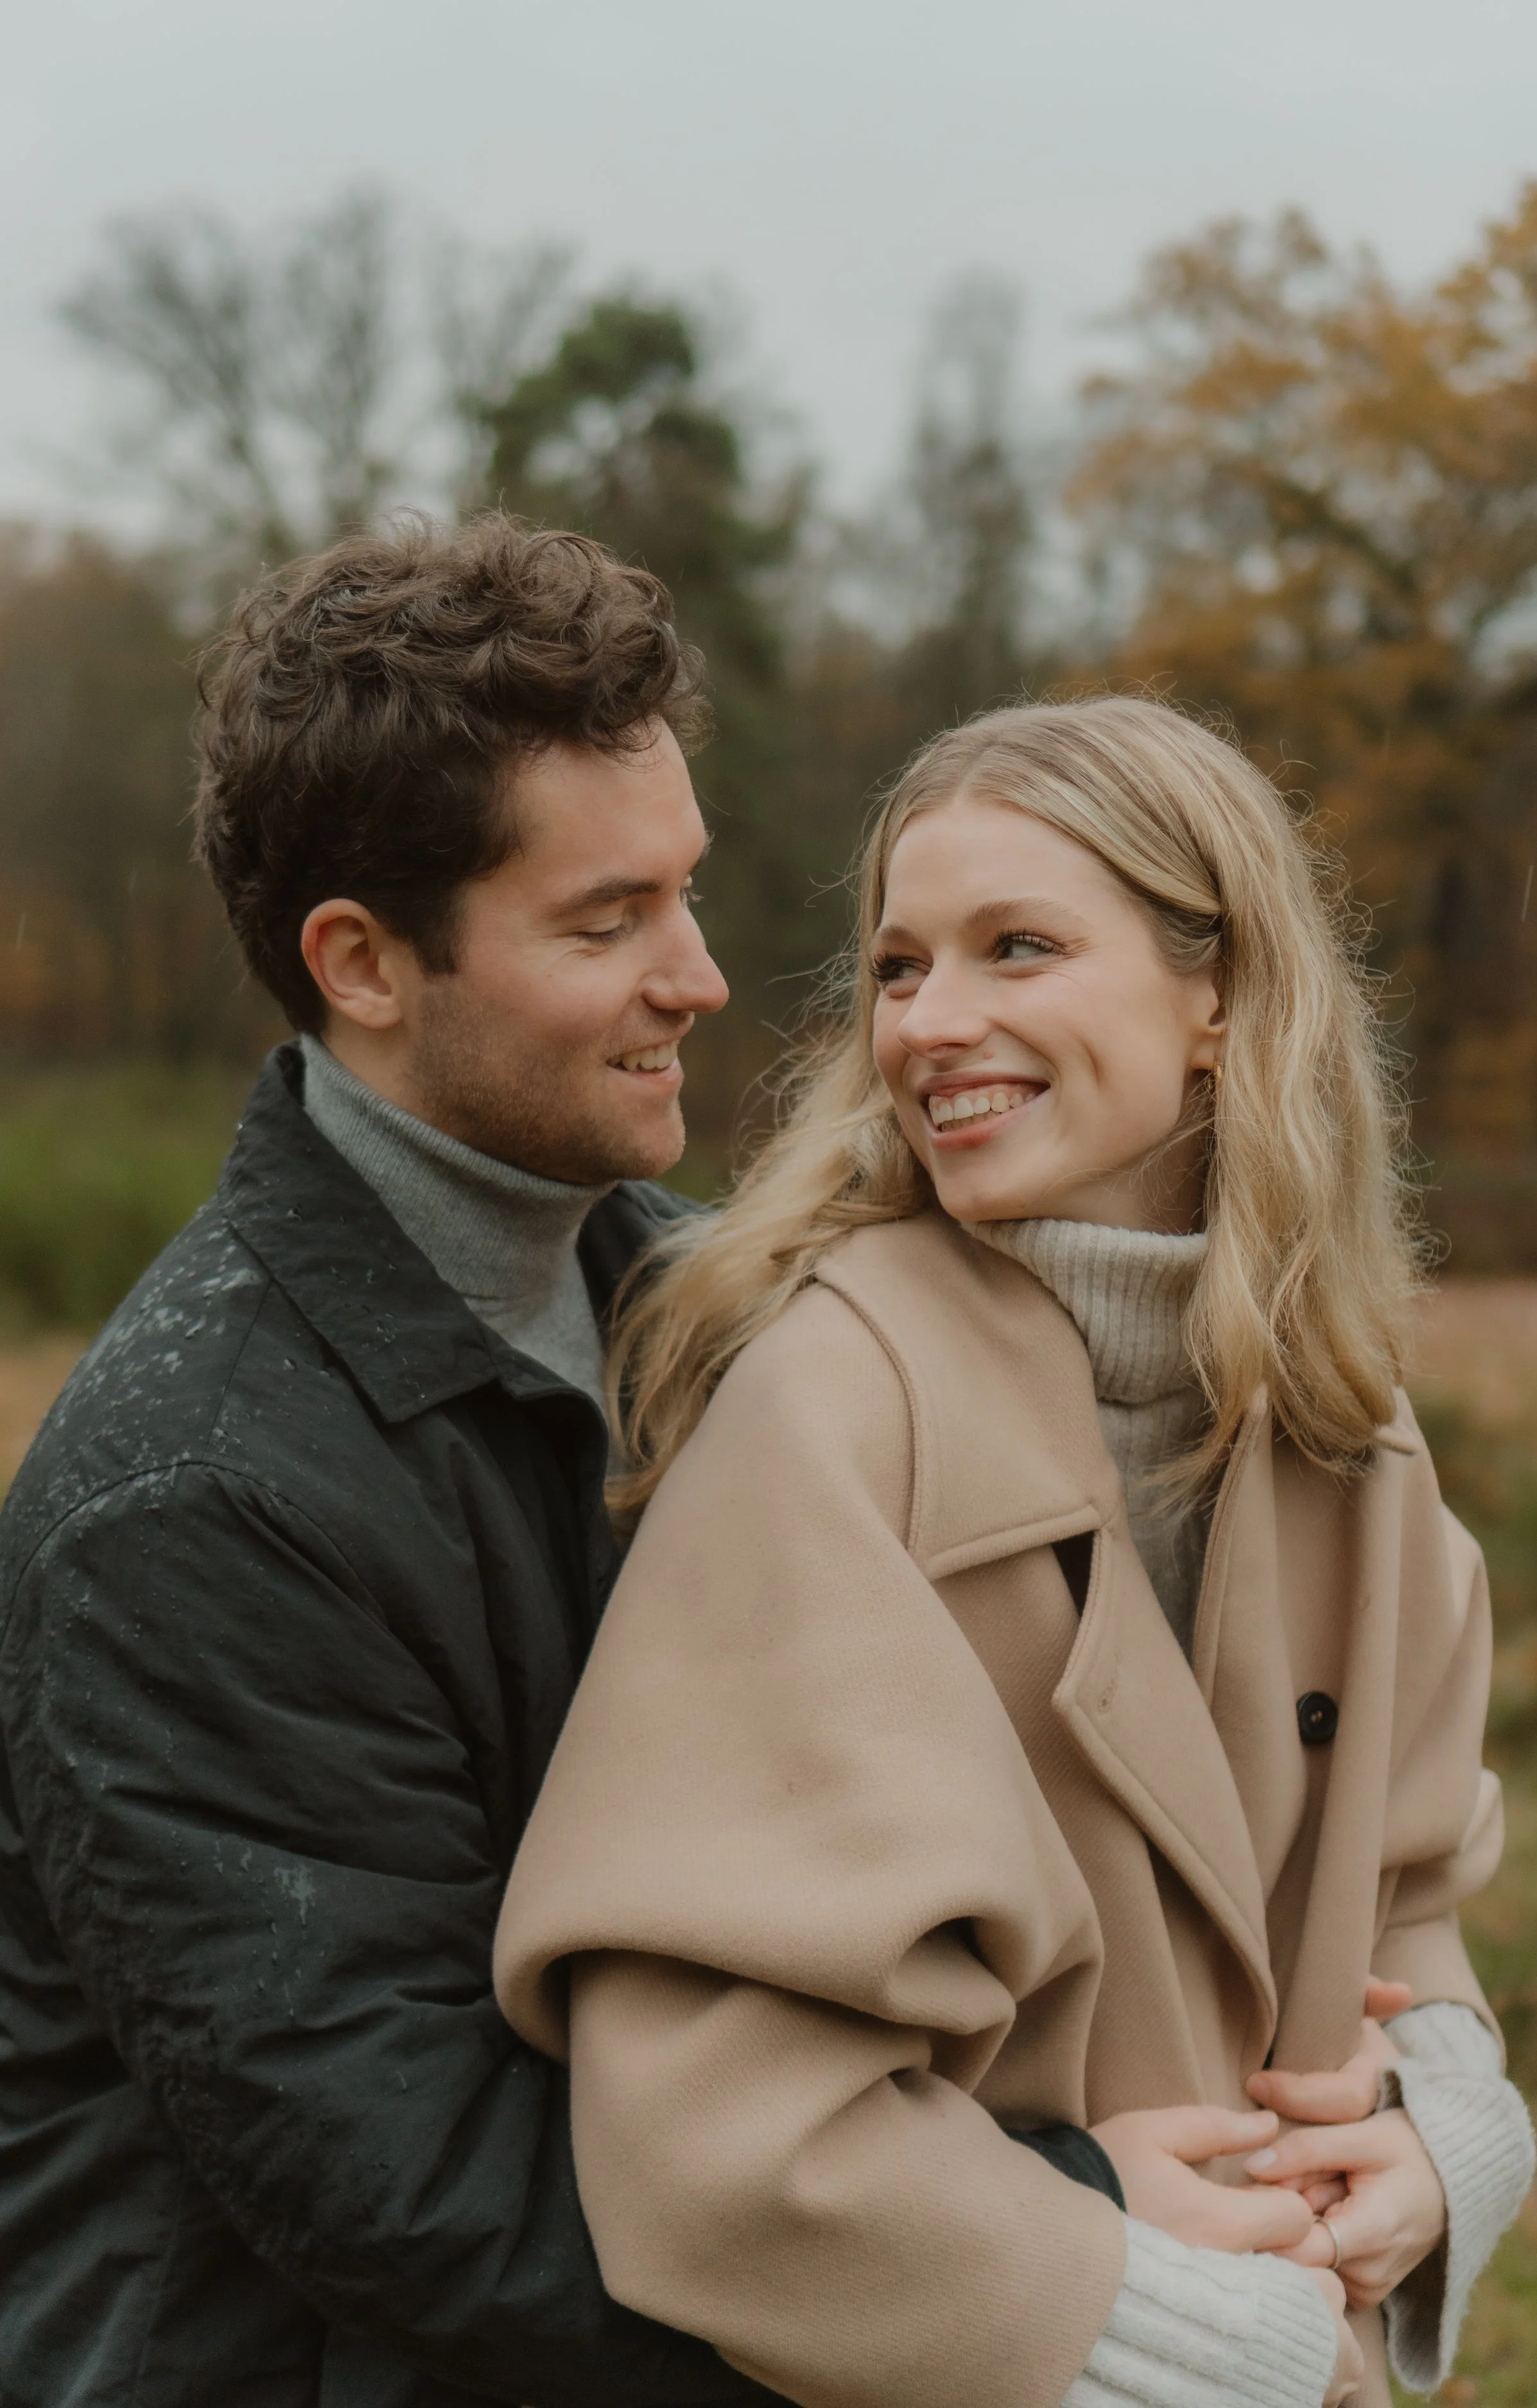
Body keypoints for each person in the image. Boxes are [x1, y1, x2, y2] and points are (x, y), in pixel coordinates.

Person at [494, 698, 1536, 2408]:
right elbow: (719, 2124)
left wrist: (1437, 2143)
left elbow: (1405, 1900)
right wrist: (1172, 2305)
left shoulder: (1343, 1422)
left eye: (1015, 948)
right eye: (900, 966)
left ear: (1216, 998)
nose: (931, 1022)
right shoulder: (829, 1403)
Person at [0, 514, 779, 2408]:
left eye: (684, 891)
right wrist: (1059, 2263)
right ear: (358, 960)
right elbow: (422, 2192)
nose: (700, 976)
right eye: (606, 923)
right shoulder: (192, 1498)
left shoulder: (707, 1310)